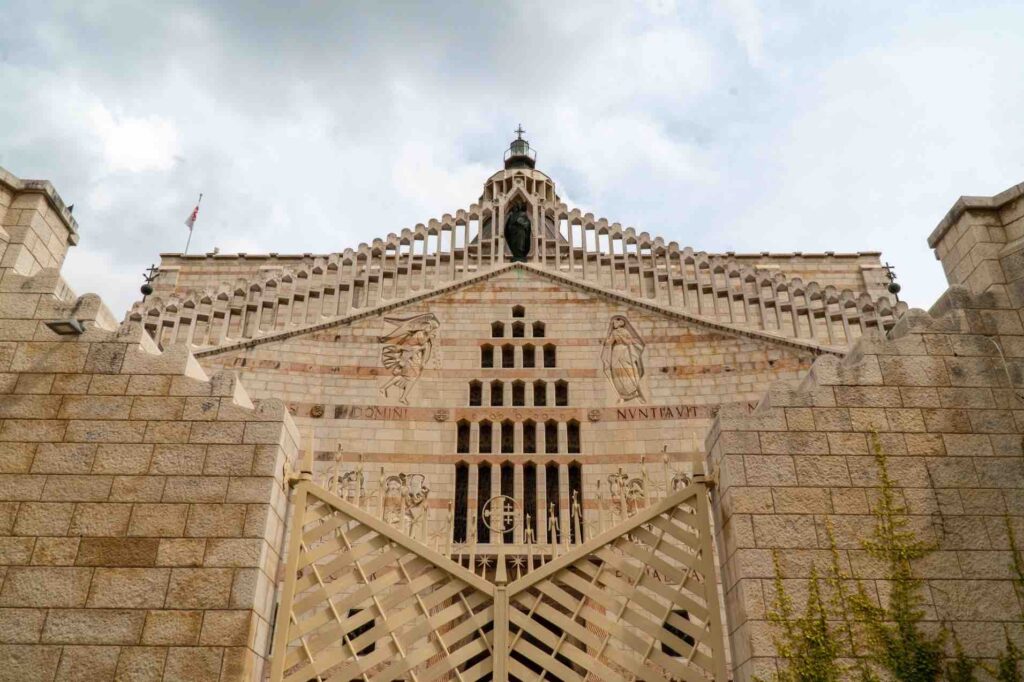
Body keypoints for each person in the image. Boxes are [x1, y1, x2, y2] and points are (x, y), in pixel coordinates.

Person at [601, 315, 646, 403]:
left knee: (629, 371)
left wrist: (622, 338)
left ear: (619, 323)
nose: (613, 324)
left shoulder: (625, 331)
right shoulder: (614, 333)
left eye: (615, 323)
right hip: (616, 351)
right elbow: (610, 342)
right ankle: (622, 395)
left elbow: (629, 342)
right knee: (616, 372)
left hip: (625, 352)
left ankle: (633, 392)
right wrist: (606, 342)